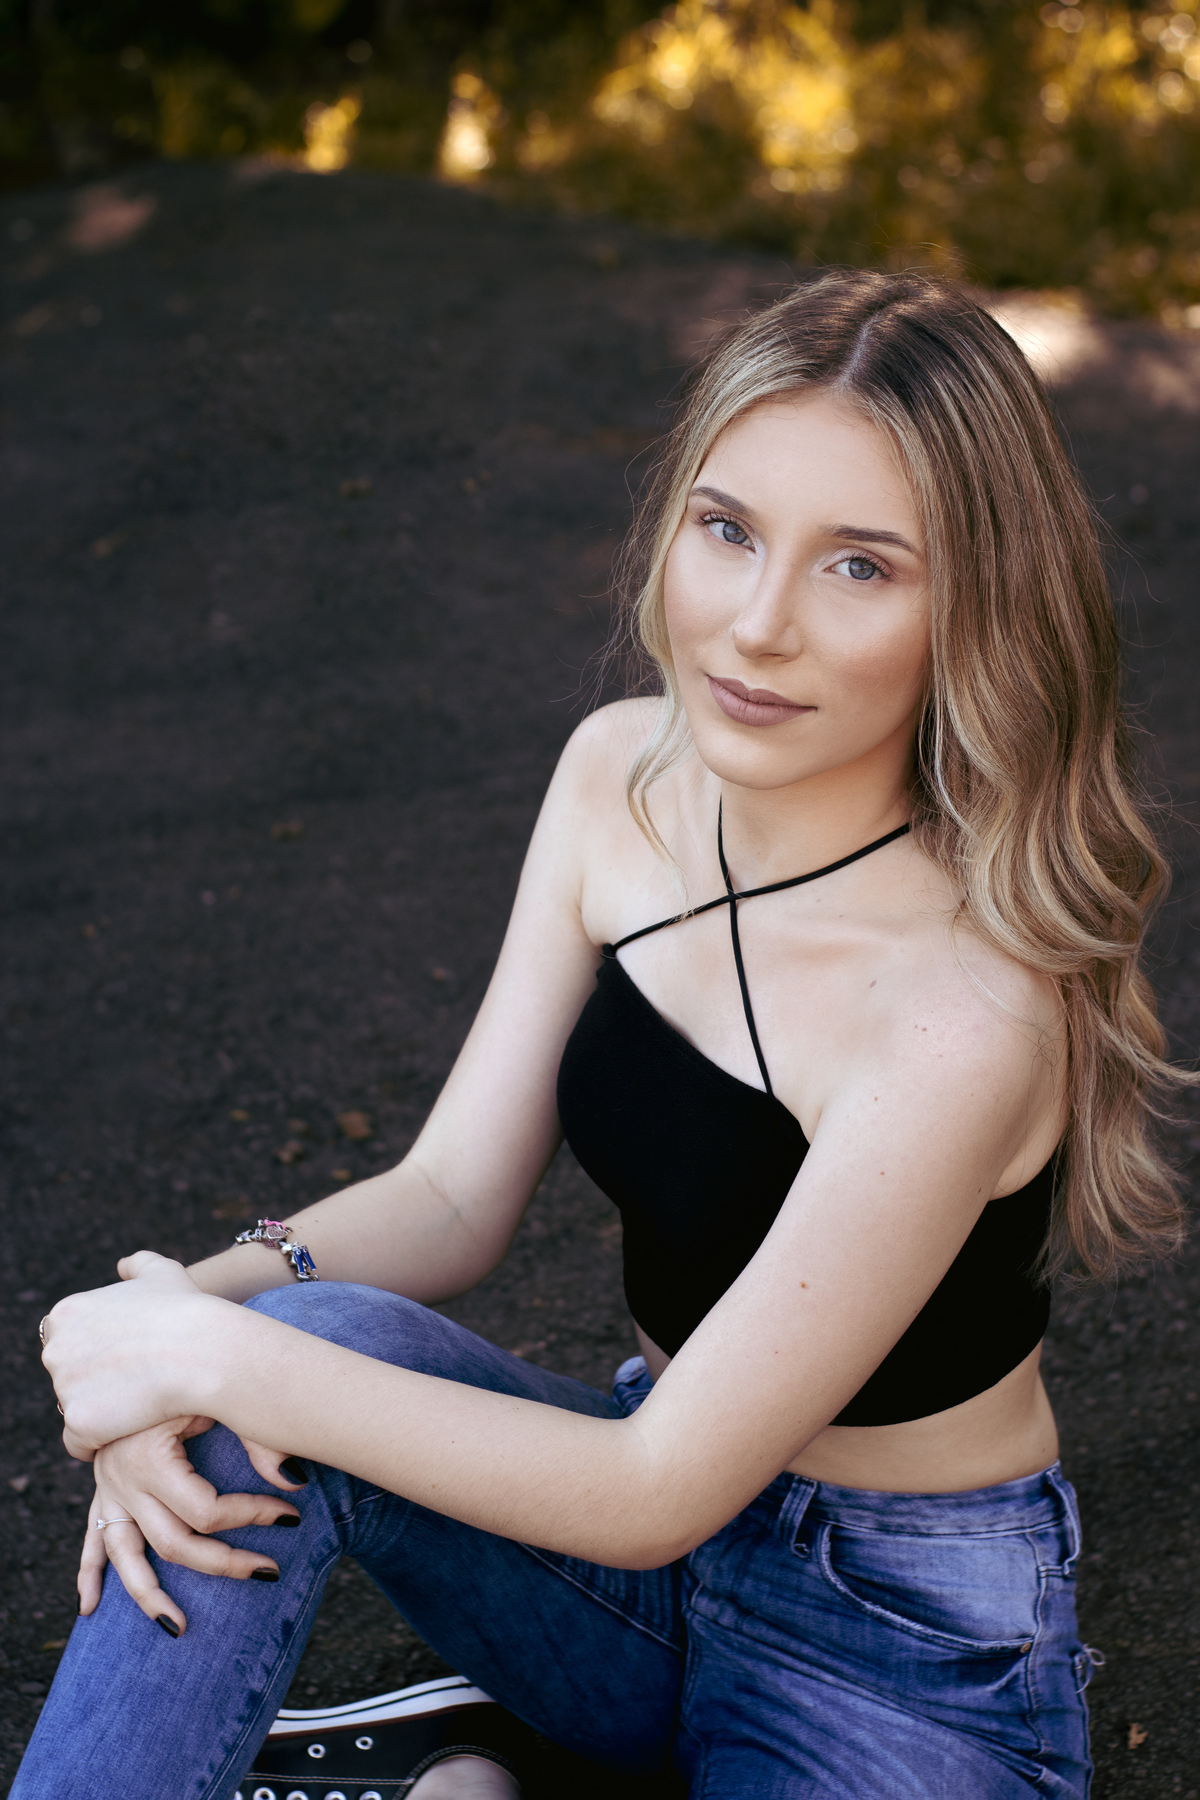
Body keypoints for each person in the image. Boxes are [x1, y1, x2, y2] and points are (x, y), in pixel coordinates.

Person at [23, 269, 1188, 1800]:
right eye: (729, 530)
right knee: (258, 1378)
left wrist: (205, 1355)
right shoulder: (616, 780)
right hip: (624, 1566)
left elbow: (656, 1486)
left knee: (257, 1372)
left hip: (893, 1647)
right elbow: (449, 1197)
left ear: (975, 606)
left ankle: (478, 1778)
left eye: (859, 566)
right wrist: (183, 1320)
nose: (758, 626)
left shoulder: (966, 1007)